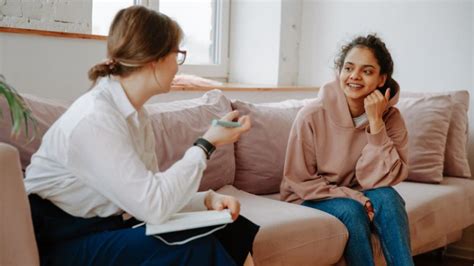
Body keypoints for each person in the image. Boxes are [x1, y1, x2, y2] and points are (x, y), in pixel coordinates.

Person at [24, 6, 259, 266]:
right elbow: (153, 207)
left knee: (230, 227)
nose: (178, 66)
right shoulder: (95, 119)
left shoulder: (135, 114)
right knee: (193, 248)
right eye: (177, 54)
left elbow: (149, 193)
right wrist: (206, 144)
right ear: (154, 59)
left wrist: (206, 199)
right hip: (63, 241)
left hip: (106, 227)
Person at [280, 34, 413, 266]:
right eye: (348, 68)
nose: (354, 76)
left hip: (359, 192)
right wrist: (355, 197)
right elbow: (299, 180)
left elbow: (386, 179)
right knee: (352, 211)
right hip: (309, 196)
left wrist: (375, 124)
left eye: (367, 71)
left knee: (389, 198)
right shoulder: (311, 116)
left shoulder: (391, 119)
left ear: (382, 79)